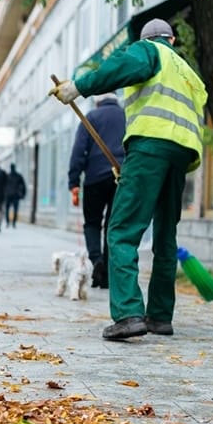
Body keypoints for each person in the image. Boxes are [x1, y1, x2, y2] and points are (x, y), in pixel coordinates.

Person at [49, 18, 206, 340]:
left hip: (151, 146)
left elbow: (120, 68)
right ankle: (160, 317)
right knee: (165, 236)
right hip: (180, 156)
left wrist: (78, 86)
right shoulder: (190, 74)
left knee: (121, 230)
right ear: (173, 39)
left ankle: (129, 314)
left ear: (148, 39)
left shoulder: (148, 51)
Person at [68, 93, 126, 290]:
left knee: (92, 223)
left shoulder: (91, 117)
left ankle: (96, 260)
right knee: (113, 225)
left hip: (94, 179)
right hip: (121, 177)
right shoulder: (127, 115)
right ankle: (108, 275)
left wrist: (73, 181)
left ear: (97, 101)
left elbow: (79, 150)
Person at [4, 163, 27, 228]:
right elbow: (23, 186)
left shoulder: (7, 176)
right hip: (15, 195)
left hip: (9, 195)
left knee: (8, 209)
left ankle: (8, 222)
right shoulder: (18, 176)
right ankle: (13, 222)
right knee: (15, 209)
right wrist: (23, 194)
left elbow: (3, 186)